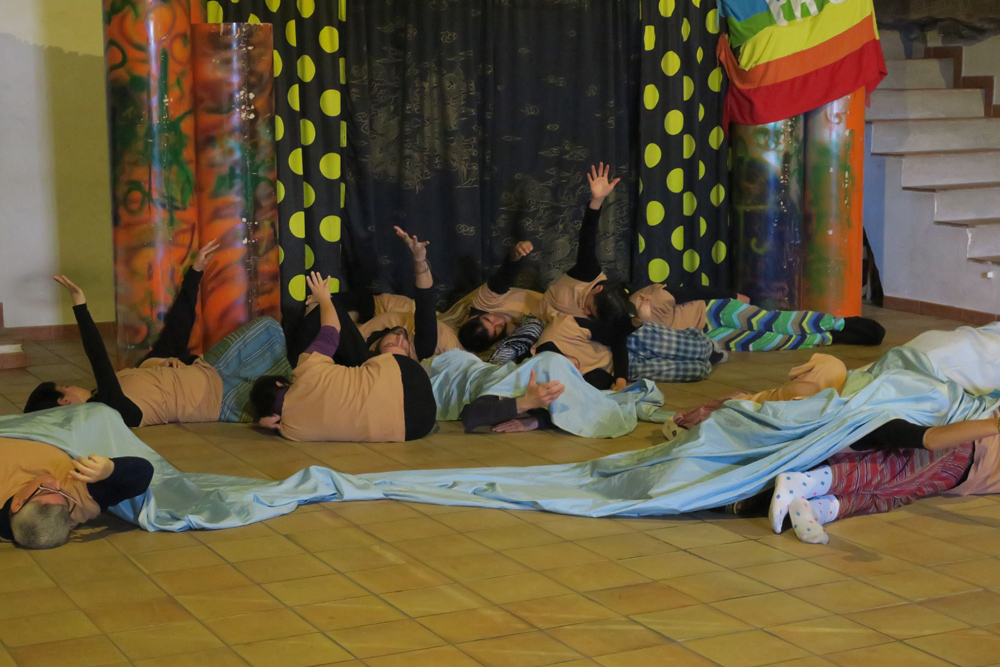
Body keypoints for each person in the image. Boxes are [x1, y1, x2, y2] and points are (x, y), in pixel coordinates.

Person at [23, 241, 289, 426]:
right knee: (286, 397)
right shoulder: (110, 408)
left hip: (212, 366)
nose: (72, 385)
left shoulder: (123, 380)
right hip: (223, 400)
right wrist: (80, 308)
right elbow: (98, 358)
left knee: (268, 327)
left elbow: (175, 332)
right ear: (64, 401)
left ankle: (302, 365)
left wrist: (195, 272)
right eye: (66, 386)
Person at [251, 271, 437, 442]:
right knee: (329, 314)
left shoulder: (292, 432)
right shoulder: (311, 367)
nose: (399, 341)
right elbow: (332, 331)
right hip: (418, 414)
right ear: (280, 383)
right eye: (396, 336)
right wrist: (325, 298)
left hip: (415, 426)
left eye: (404, 344)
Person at [766, 412, 1000, 545]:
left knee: (892, 495)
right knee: (897, 468)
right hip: (970, 442)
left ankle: (818, 508)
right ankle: (806, 483)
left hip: (965, 477)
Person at [283, 227, 446, 365]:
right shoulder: (419, 350)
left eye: (392, 345)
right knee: (351, 302)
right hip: (320, 357)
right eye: (405, 346)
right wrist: (419, 260)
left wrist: (325, 300)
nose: (400, 339)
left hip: (356, 368)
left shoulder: (366, 359)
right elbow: (426, 304)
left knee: (331, 308)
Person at [534, 163, 634, 390]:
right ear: (598, 288)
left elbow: (618, 338)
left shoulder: (610, 311)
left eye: (591, 315)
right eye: (589, 309)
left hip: (584, 344)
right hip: (554, 329)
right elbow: (587, 239)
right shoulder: (588, 272)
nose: (587, 313)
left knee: (600, 379)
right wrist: (596, 201)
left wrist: (620, 380)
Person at [630, 282, 885, 352]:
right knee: (767, 341)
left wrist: (732, 295)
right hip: (705, 335)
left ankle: (841, 323)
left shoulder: (653, 300)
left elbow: (692, 290)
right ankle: (829, 338)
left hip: (713, 310)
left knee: (775, 323)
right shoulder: (630, 333)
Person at [1, 439, 152, 549]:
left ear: (17, 504)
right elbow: (143, 473)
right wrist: (110, 470)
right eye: (62, 494)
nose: (57, 483)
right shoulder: (76, 500)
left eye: (46, 489)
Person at [460, 369, 566, 433]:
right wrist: (525, 402)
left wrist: (537, 421)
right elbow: (470, 416)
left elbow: (570, 417)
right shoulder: (516, 379)